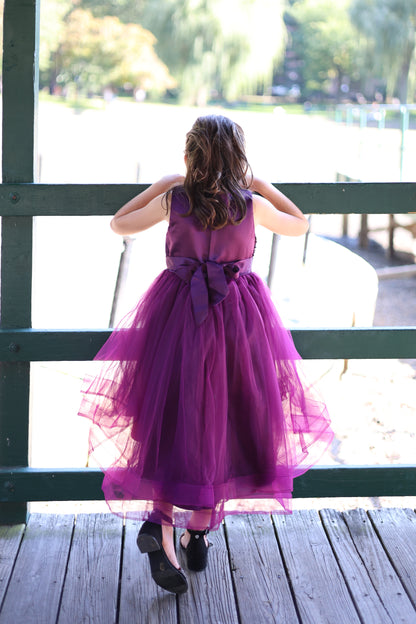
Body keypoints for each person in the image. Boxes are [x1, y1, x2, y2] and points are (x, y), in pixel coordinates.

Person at [79, 114, 333, 594]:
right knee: (225, 421)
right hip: (236, 323)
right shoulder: (252, 205)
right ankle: (198, 531)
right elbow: (299, 224)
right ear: (238, 159)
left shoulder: (174, 200)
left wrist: (165, 182)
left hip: (176, 319)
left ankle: (162, 522)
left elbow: (118, 224)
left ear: (189, 158)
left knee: (171, 417)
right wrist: (259, 183)